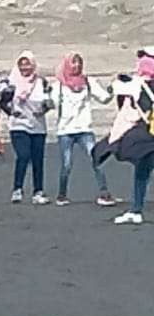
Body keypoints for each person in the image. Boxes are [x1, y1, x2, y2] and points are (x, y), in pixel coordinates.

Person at [94, 59, 154, 225]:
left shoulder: (138, 85)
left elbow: (114, 88)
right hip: (147, 136)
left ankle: (136, 210)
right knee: (142, 170)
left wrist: (120, 78)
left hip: (146, 135)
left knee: (141, 170)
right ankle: (136, 209)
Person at [52, 52, 117, 207]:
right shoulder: (59, 86)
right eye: (73, 63)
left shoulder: (88, 82)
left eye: (79, 62)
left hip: (84, 128)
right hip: (65, 130)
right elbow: (50, 103)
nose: (76, 66)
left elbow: (104, 98)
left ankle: (104, 193)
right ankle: (62, 195)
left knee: (96, 159)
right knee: (66, 164)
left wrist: (113, 88)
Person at [3, 51, 52, 205]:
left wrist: (43, 110)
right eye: (22, 64)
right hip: (18, 125)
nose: (25, 67)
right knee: (23, 156)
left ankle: (38, 191)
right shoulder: (11, 83)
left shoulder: (41, 82)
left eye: (27, 64)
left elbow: (49, 102)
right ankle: (17, 189)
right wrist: (12, 111)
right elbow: (3, 103)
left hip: (38, 126)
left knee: (38, 159)